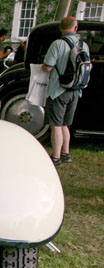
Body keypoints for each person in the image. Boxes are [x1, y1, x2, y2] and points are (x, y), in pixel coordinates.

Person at [41, 16, 89, 167]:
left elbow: (48, 66)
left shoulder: (57, 44)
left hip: (58, 90)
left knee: (56, 125)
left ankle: (55, 157)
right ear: (76, 28)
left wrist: (42, 67)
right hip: (76, 89)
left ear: (60, 28)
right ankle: (66, 153)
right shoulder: (83, 45)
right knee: (65, 125)